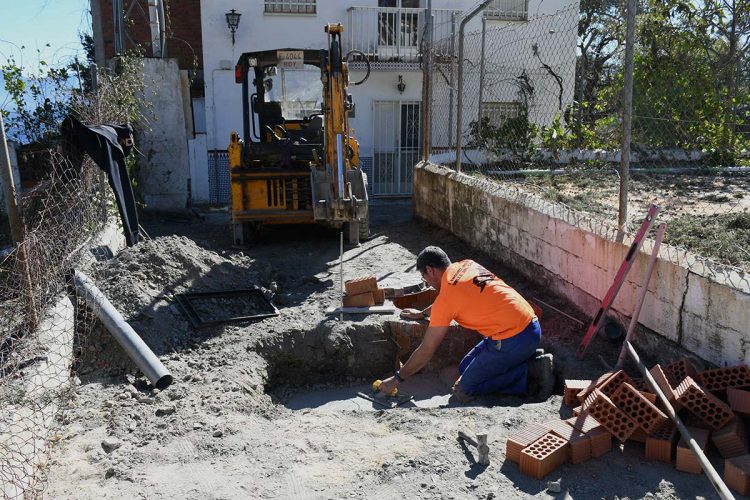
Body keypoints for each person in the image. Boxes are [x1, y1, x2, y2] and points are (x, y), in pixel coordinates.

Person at [379, 246, 553, 402]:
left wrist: (396, 379)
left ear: (430, 271)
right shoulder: (467, 265)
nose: (428, 284)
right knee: (463, 368)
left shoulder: (447, 299)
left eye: (425, 279)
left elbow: (426, 351)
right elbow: (457, 295)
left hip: (515, 339)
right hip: (527, 325)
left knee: (463, 390)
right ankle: (521, 360)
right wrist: (424, 313)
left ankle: (531, 372)